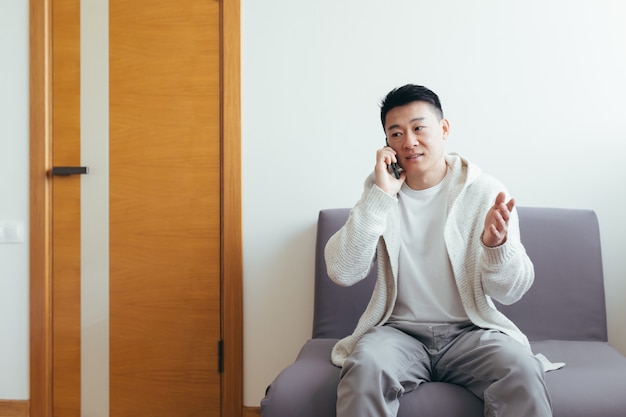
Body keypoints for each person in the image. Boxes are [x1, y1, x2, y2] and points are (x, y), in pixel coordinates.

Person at [324, 84, 553, 417]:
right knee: (365, 367)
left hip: (470, 333)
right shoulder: (380, 193)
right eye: (396, 133)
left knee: (521, 367)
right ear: (386, 144)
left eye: (419, 128)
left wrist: (496, 246)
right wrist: (379, 198)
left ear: (444, 129)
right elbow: (342, 272)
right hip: (398, 333)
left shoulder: (486, 192)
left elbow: (511, 292)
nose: (409, 142)